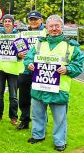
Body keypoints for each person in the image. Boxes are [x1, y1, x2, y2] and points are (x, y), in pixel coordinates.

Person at [25, 15, 83, 152]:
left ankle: (59, 142)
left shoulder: (71, 46)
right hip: (39, 86)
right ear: (47, 27)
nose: (54, 29)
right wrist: (30, 64)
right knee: (37, 114)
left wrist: (68, 69)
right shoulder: (39, 43)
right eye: (51, 26)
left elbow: (79, 65)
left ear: (62, 27)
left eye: (57, 26)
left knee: (60, 118)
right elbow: (28, 58)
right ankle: (38, 136)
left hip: (59, 89)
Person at [0, 14, 22, 126]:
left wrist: (19, 56)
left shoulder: (18, 35)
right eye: (5, 21)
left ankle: (13, 117)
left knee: (13, 95)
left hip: (13, 68)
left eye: (9, 21)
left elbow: (22, 50)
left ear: (13, 23)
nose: (7, 23)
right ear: (2, 23)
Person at [16, 10, 46, 130]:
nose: (33, 21)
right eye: (31, 19)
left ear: (41, 20)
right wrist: (19, 54)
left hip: (41, 69)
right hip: (25, 70)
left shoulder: (46, 32)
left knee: (41, 97)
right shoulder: (22, 33)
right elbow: (15, 50)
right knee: (23, 97)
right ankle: (25, 120)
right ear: (28, 20)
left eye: (36, 19)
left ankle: (42, 122)